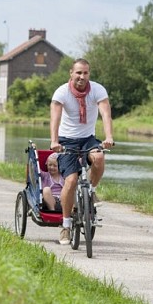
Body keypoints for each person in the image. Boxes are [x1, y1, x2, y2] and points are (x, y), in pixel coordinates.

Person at [50, 58, 114, 245]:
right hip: (66, 140)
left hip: (88, 138)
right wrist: (54, 141)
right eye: (78, 72)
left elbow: (105, 113)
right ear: (71, 73)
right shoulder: (62, 92)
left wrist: (108, 136)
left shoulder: (97, 90)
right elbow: (55, 117)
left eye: (85, 73)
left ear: (89, 74)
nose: (82, 76)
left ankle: (91, 191)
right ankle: (66, 226)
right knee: (71, 180)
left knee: (99, 158)